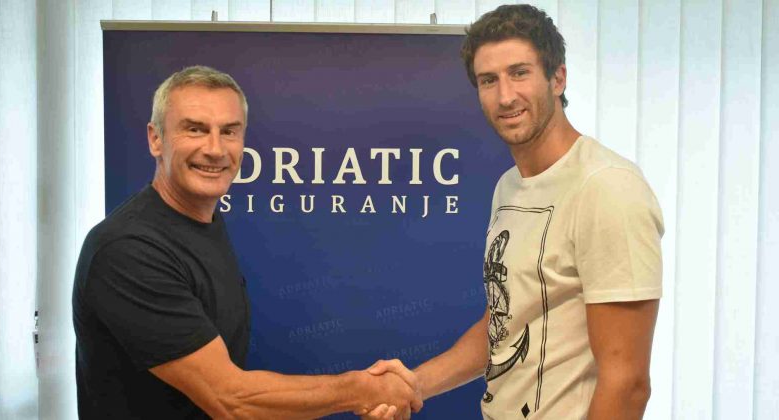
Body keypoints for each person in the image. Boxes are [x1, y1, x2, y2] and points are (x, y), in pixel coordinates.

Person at [365, 4, 663, 419]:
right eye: (489, 80)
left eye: (519, 73)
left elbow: (627, 384)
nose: (505, 96)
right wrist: (415, 385)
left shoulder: (606, 187)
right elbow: (504, 325)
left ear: (557, 78)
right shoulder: (509, 186)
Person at [73, 65, 421, 419]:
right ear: (155, 139)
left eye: (229, 131)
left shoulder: (201, 220)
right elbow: (230, 398)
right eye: (195, 129)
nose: (214, 149)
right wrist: (360, 389)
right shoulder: (128, 250)